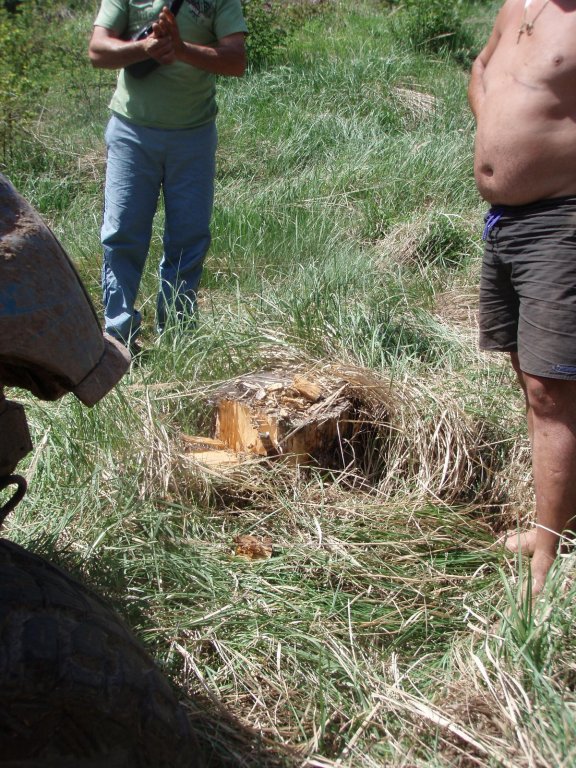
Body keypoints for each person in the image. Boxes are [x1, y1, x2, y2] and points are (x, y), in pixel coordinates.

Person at [468, 0, 576, 595]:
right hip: (507, 223)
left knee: (551, 388)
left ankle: (548, 555)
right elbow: (482, 66)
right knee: (531, 378)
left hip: (563, 219)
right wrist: (496, 124)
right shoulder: (519, 4)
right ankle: (555, 525)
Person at [89, 0, 247, 349]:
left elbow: (236, 60)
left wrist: (181, 49)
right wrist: (144, 48)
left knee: (189, 236)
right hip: (131, 132)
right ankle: (118, 338)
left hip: (193, 134)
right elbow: (98, 51)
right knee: (122, 233)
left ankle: (177, 335)